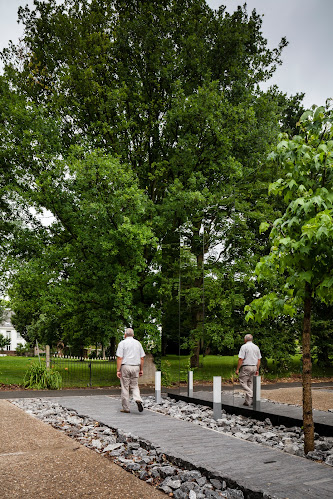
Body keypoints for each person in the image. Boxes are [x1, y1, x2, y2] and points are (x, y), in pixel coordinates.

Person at [116, 327, 145, 413]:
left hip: (126, 366)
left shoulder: (122, 343)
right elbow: (142, 358)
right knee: (135, 385)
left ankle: (126, 408)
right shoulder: (138, 344)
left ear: (125, 335)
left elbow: (119, 357)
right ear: (133, 335)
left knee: (125, 387)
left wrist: (118, 370)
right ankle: (138, 399)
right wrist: (141, 369)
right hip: (136, 366)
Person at [235, 334, 261, 406]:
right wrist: (257, 369)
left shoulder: (244, 347)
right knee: (250, 383)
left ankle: (251, 394)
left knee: (242, 381)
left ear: (245, 339)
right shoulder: (256, 347)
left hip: (246, 367)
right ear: (251, 339)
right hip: (254, 367)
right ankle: (247, 402)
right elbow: (259, 360)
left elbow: (241, 359)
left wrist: (237, 369)